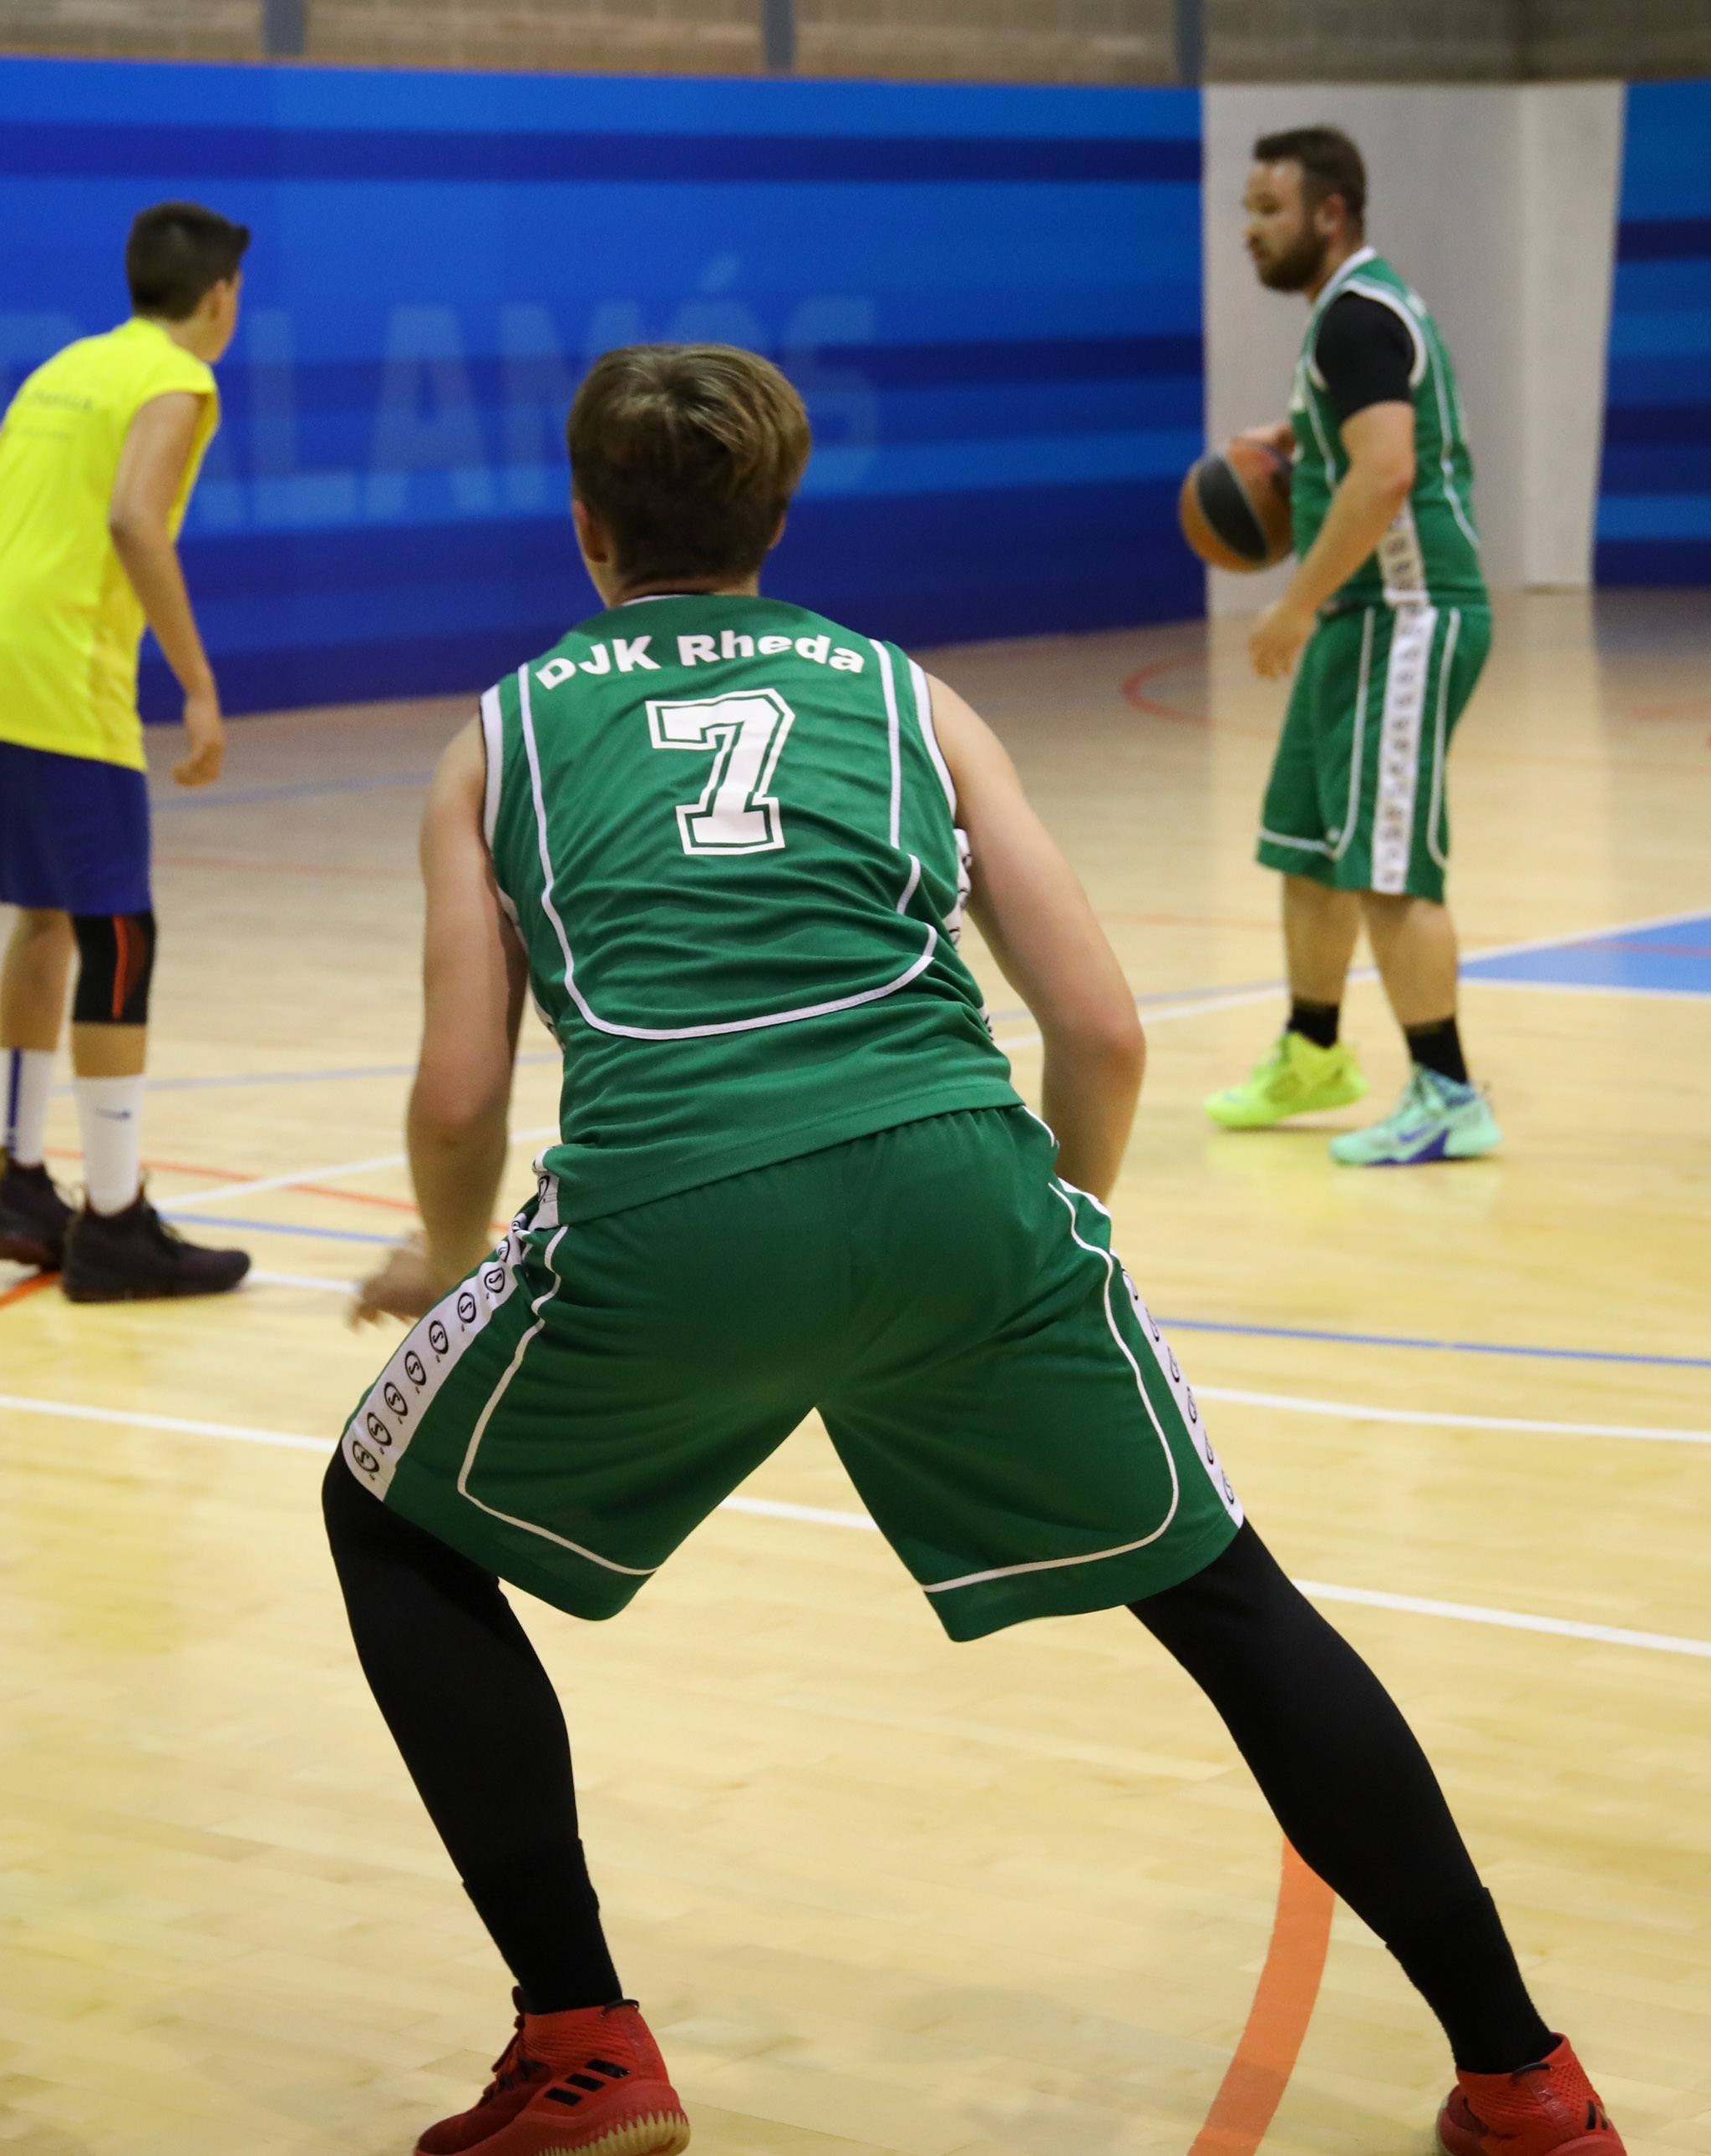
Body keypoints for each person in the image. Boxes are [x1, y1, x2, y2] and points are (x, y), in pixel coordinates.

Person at [329, 346, 1627, 2156]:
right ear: (778, 521)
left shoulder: (497, 740)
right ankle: (1521, 2074)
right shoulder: (910, 697)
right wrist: (1057, 1233)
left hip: (675, 1205)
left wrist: (443, 1250)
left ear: (585, 527)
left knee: (387, 1517)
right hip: (963, 1188)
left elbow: (462, 1090)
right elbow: (1099, 1029)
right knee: (1227, 1599)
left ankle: (583, 2040)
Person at [0, 199, 254, 1302]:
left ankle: (22, 1187)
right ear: (220, 296)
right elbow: (132, 519)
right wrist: (198, 686)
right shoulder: (176, 379)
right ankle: (114, 1221)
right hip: (56, 678)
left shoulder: (64, 368)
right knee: (118, 933)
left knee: (50, 917)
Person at [1204, 125, 1503, 1167]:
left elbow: (1385, 474)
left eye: (1267, 210)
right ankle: (1313, 1050)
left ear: (1328, 214)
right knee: (1303, 840)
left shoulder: (1354, 320)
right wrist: (1292, 433)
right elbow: (1367, 426)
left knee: (1384, 862)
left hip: (1406, 612)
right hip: (1363, 617)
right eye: (1246, 209)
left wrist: (1293, 604)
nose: (1249, 230)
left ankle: (1447, 1093)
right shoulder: (1348, 315)